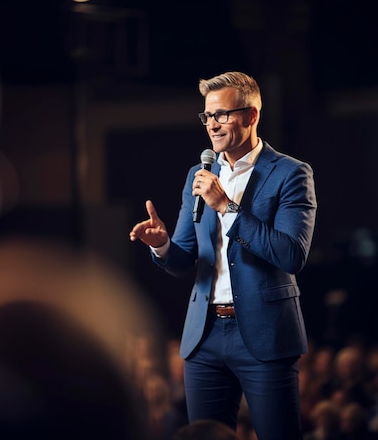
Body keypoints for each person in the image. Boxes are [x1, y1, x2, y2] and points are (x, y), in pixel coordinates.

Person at [129, 71, 317, 439]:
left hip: (265, 334)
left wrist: (227, 207)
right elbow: (184, 259)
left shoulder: (290, 173)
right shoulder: (198, 174)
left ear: (251, 115)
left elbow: (291, 254)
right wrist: (161, 244)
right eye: (207, 116)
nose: (212, 125)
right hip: (205, 335)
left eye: (222, 115)